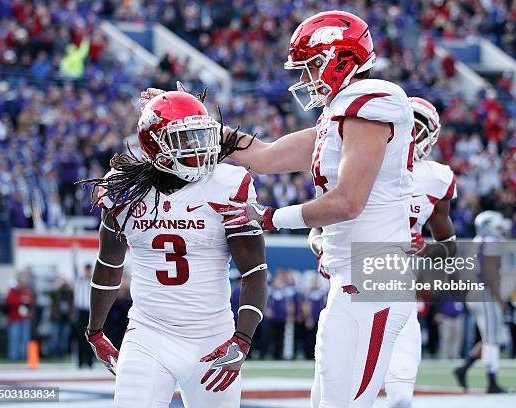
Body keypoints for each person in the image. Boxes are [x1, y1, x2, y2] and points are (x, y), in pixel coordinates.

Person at [141, 11, 417, 406]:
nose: (305, 79)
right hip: (353, 277)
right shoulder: (336, 115)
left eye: (311, 67)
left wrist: (272, 218)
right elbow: (265, 157)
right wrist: (190, 120)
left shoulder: (372, 100)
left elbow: (348, 201)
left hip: (376, 274)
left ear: (339, 58)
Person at [77, 91, 268, 408]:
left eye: (201, 136)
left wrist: (242, 339)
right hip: (148, 334)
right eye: (185, 139)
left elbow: (255, 273)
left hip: (212, 336)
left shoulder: (227, 184)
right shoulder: (123, 190)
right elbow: (109, 264)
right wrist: (95, 331)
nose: (199, 148)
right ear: (156, 145)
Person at [309, 96, 457, 408]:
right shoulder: (359, 164)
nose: (410, 136)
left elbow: (449, 246)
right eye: (406, 128)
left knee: (401, 396)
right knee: (330, 389)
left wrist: (428, 250)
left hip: (398, 292)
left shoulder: (436, 179)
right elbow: (317, 229)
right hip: (351, 284)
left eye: (417, 129)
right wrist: (324, 248)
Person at [454, 211, 510, 393]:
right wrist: (499, 298)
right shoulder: (490, 242)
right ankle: (492, 382)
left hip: (474, 294)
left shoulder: (477, 241)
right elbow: (490, 272)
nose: (501, 230)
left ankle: (463, 369)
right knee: (493, 340)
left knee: (488, 338)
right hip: (485, 294)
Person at [5, 272, 35, 360]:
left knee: (25, 338)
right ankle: (13, 356)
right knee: (14, 337)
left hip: (25, 318)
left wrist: (27, 301)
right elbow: (9, 301)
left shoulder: (27, 291)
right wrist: (21, 300)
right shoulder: (13, 290)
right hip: (14, 318)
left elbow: (32, 302)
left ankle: (23, 355)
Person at [74, 264, 94, 368]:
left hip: (91, 312)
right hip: (81, 312)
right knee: (80, 337)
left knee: (91, 337)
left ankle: (90, 362)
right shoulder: (79, 281)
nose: (88, 272)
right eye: (86, 270)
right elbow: (74, 267)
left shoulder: (94, 281)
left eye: (89, 270)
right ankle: (81, 362)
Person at [48, 278, 74, 358]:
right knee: (54, 337)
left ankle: (62, 354)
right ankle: (52, 353)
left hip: (66, 319)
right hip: (56, 318)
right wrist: (57, 285)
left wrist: (69, 285)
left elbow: (73, 293)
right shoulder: (56, 293)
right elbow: (51, 294)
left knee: (64, 338)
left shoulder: (69, 293)